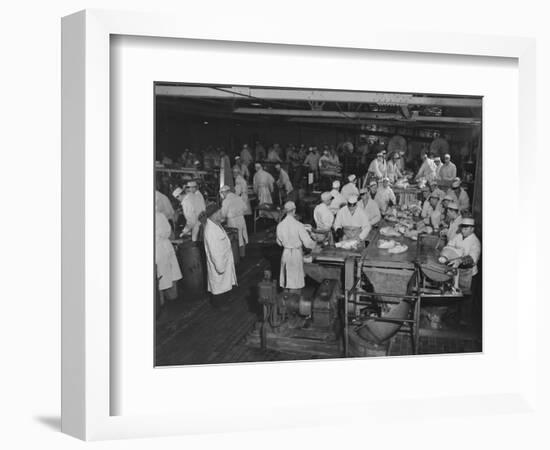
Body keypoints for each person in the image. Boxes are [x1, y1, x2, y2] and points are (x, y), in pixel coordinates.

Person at [200, 205, 237, 308]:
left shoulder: (216, 225)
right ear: (213, 214)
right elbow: (214, 251)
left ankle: (224, 301)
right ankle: (219, 305)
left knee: (224, 283)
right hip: (219, 263)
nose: (221, 214)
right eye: (219, 213)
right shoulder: (210, 231)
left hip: (224, 260)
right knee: (218, 285)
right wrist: (219, 267)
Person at [276, 201, 316, 292]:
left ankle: (285, 302)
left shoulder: (280, 225)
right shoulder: (298, 225)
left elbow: (279, 242)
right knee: (296, 283)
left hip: (285, 253)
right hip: (296, 255)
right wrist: (315, 244)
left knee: (286, 281)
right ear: (294, 210)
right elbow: (308, 243)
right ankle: (294, 303)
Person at [155, 204, 183, 306]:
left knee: (159, 278)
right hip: (165, 245)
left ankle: (161, 302)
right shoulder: (160, 215)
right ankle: (173, 297)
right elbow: (169, 232)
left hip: (158, 249)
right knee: (171, 274)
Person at [220, 185, 248, 258]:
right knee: (242, 236)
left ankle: (236, 256)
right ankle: (243, 255)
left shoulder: (226, 201)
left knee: (235, 238)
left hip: (232, 221)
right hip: (241, 219)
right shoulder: (238, 198)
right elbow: (245, 208)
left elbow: (223, 214)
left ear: (224, 192)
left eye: (222, 193)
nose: (222, 195)